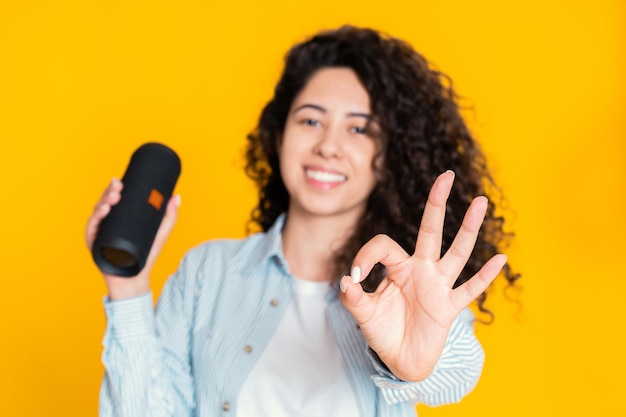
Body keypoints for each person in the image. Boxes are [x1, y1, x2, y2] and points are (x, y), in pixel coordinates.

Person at [86, 25, 519, 417]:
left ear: (388, 157)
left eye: (358, 129)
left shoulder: (406, 284)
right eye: (311, 120)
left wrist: (419, 359)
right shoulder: (207, 273)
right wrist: (128, 288)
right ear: (279, 138)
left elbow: (455, 378)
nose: (328, 146)